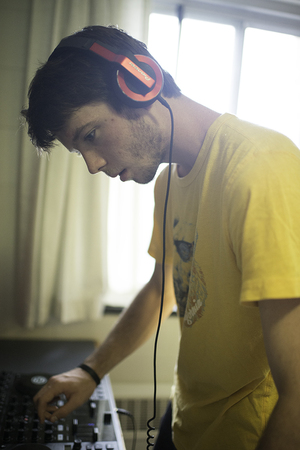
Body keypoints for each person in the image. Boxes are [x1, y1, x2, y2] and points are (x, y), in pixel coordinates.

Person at [21, 25, 300, 450]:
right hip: (184, 421)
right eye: (80, 151)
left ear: (140, 83)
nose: (93, 165)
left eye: (90, 136)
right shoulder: (167, 185)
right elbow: (162, 290)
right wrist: (91, 371)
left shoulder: (262, 169)